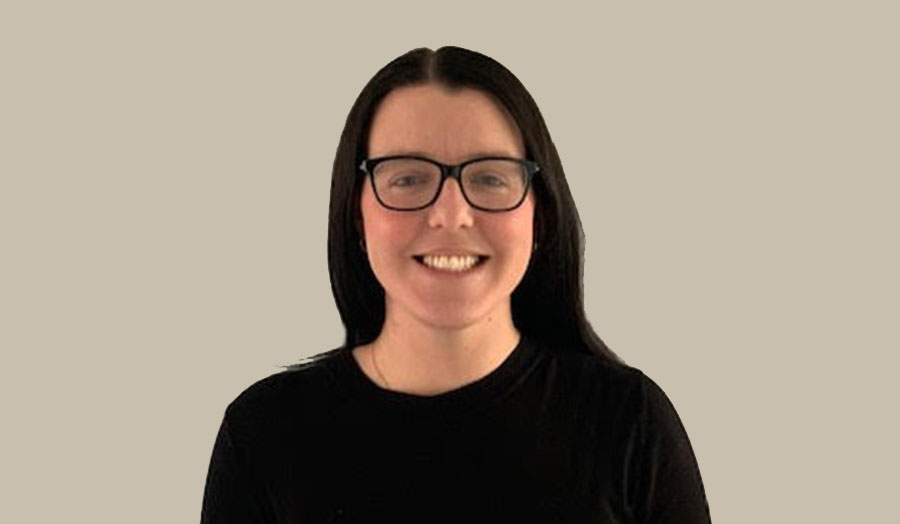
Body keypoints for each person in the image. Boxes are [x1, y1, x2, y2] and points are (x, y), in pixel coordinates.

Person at [201, 46, 712, 523]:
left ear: (541, 214)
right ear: (356, 214)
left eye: (489, 178)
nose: (451, 214)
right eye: (407, 178)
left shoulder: (629, 426)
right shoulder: (264, 435)